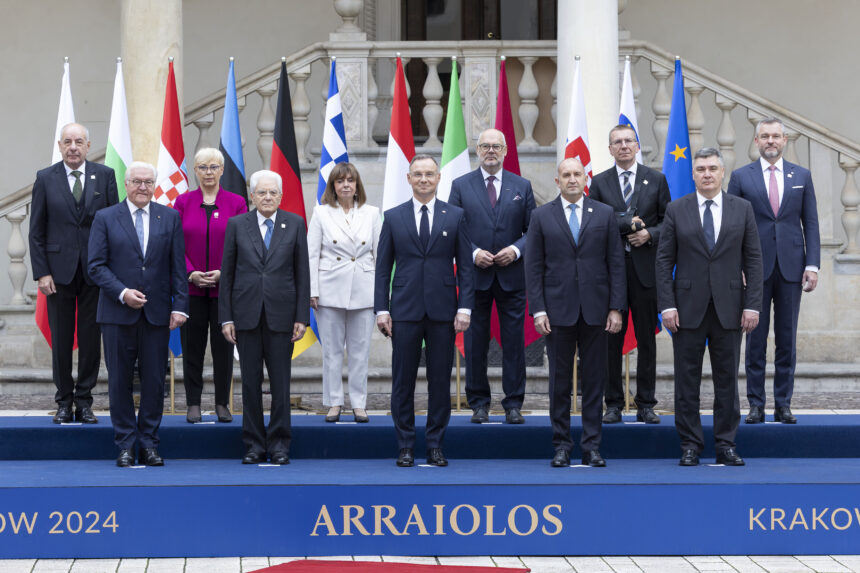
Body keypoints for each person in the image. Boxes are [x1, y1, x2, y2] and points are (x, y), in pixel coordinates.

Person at [656, 148, 763, 467]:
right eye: (700, 168)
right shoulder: (677, 209)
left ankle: (726, 444)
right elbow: (663, 261)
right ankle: (690, 444)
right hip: (686, 310)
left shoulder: (742, 209)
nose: (706, 173)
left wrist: (753, 305)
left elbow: (754, 260)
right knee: (686, 381)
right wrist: (667, 306)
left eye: (712, 168)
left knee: (728, 381)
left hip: (731, 308)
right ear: (693, 174)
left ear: (722, 172)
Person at [374, 155, 474, 468]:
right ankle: (405, 445)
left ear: (439, 177)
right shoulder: (393, 216)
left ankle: (434, 445)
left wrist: (465, 307)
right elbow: (382, 269)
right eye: (418, 174)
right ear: (408, 178)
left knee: (439, 382)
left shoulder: (455, 216)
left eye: (429, 174)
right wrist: (381, 309)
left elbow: (467, 269)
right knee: (402, 382)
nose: (424, 179)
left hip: (443, 311)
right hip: (403, 310)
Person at [525, 158, 625, 468]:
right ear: (557, 181)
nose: (571, 179)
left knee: (595, 380)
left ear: (586, 179)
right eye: (565, 175)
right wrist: (538, 309)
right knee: (559, 382)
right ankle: (561, 446)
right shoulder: (541, 216)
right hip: (557, 312)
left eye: (576, 174)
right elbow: (534, 266)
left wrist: (616, 308)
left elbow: (616, 264)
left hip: (596, 310)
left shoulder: (605, 214)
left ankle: (592, 446)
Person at [88, 162, 188, 467]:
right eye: (137, 182)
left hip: (157, 315)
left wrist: (180, 305)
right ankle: (125, 445)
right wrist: (122, 293)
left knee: (155, 382)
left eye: (148, 182)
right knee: (119, 382)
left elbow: (177, 268)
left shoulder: (168, 217)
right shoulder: (105, 218)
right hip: (117, 314)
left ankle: (148, 443)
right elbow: (95, 265)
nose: (143, 187)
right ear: (126, 184)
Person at [726, 118, 820, 425]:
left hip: (792, 268)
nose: (770, 141)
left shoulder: (801, 176)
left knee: (786, 339)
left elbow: (812, 223)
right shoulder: (741, 176)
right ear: (756, 141)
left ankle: (783, 403)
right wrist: (737, 266)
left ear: (785, 140)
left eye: (775, 136)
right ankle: (755, 404)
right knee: (755, 340)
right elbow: (732, 227)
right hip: (754, 270)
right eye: (764, 136)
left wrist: (812, 264)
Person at [29, 123, 119, 424]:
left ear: (88, 145)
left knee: (92, 339)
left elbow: (114, 225)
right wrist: (42, 273)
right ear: (59, 145)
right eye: (67, 141)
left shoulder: (105, 176)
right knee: (63, 340)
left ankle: (85, 400)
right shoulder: (45, 178)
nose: (73, 147)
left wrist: (110, 270)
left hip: (95, 272)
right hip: (58, 273)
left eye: (78, 141)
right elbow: (36, 231)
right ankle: (64, 401)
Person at [220, 170, 310, 465]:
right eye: (262, 192)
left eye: (273, 193)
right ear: (252, 196)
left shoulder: (295, 224)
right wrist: (226, 318)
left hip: (282, 317)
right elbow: (228, 274)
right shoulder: (237, 225)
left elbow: (302, 273)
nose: (267, 197)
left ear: (281, 196)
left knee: (281, 385)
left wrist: (301, 316)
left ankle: (281, 444)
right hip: (245, 316)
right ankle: (254, 445)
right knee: (250, 384)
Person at [448, 128, 535, 425]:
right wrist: (472, 253)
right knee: (475, 345)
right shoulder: (461, 186)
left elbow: (532, 231)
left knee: (513, 344)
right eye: (485, 146)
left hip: (512, 277)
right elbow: (454, 228)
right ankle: (479, 403)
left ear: (506, 150)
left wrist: (516, 249)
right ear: (477, 150)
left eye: (496, 146)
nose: (490, 151)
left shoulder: (521, 185)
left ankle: (513, 403)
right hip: (476, 278)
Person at [588, 124, 671, 425]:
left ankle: (646, 403)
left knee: (647, 340)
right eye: (617, 142)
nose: (623, 146)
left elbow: (669, 223)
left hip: (646, 273)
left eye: (628, 141)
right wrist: (626, 222)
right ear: (609, 149)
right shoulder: (598, 183)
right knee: (611, 340)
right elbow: (596, 222)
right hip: (611, 275)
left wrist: (649, 234)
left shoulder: (657, 180)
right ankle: (613, 403)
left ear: (637, 146)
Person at [173, 148, 247, 424]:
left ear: (222, 170)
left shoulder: (236, 203)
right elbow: (174, 244)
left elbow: (242, 243)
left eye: (213, 167)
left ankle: (221, 403)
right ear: (195, 170)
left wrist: (222, 272)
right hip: (190, 289)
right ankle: (193, 403)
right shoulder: (182, 202)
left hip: (224, 290)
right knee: (192, 348)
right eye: (202, 167)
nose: (208, 173)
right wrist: (190, 272)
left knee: (223, 348)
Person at [308, 163, 381, 424]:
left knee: (361, 351)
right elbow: (311, 254)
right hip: (330, 288)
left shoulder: (372, 213)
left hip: (363, 285)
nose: (346, 185)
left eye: (350, 180)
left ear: (357, 184)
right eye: (340, 181)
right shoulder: (321, 212)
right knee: (332, 351)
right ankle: (334, 402)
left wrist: (381, 293)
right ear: (333, 186)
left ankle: (359, 403)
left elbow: (379, 254)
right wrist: (312, 291)